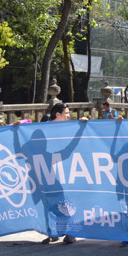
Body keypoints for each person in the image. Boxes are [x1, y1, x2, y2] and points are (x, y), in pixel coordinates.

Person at [41, 103, 86, 244]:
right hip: (45, 171)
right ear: (57, 114)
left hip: (65, 172)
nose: (69, 115)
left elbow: (68, 150)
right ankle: (53, 233)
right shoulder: (42, 127)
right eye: (66, 113)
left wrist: (81, 127)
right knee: (47, 205)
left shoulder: (69, 128)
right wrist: (18, 127)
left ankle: (70, 232)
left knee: (63, 204)